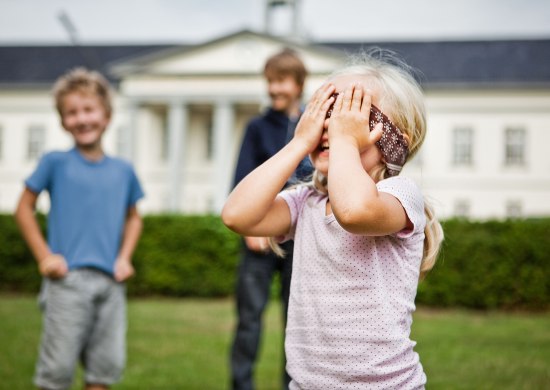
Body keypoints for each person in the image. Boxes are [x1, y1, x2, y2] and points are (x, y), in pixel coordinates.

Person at [222, 49, 444, 389]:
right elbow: (237, 215)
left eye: (349, 113)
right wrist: (298, 142)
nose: (331, 126)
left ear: (397, 140)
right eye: (324, 112)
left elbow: (353, 211)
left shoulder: (401, 195)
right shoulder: (305, 202)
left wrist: (342, 139)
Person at [14, 67, 144, 390]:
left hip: (111, 284)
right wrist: (45, 256)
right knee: (56, 372)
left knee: (104, 369)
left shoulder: (123, 170)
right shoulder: (54, 162)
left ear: (107, 115)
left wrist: (124, 257)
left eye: (89, 110)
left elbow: (134, 217)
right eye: (72, 113)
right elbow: (23, 208)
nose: (81, 119)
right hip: (66, 282)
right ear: (62, 121)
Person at [230, 48, 311, 390]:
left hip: (301, 240)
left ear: (298, 83)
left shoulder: (310, 125)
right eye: (270, 82)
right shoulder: (257, 127)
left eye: (282, 81)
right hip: (260, 239)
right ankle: (240, 385)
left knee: (296, 324)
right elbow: (241, 178)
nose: (275, 89)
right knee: (249, 321)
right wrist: (253, 229)